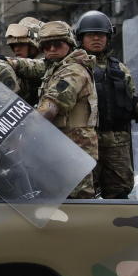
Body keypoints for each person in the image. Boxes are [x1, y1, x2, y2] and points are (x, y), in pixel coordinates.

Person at [75, 10, 138, 199]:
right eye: (90, 34)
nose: (96, 38)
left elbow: (130, 101)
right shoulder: (73, 68)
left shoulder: (119, 69)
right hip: (86, 142)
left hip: (117, 142)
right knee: (83, 196)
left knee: (120, 191)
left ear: (108, 37)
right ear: (81, 38)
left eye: (101, 34)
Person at [36, 20, 99, 199]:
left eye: (57, 44)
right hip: (61, 149)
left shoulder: (74, 71)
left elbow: (49, 108)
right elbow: (31, 66)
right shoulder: (56, 69)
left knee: (77, 207)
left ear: (69, 45)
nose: (52, 49)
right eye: (47, 46)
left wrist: (22, 132)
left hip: (75, 150)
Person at [5, 18, 44, 104]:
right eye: (13, 45)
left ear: (34, 44)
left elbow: (40, 66)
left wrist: (11, 62)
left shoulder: (49, 61)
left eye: (21, 44)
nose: (16, 49)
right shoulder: (19, 69)